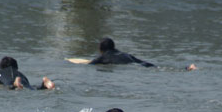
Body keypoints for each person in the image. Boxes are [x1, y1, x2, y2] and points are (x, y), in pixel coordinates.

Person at [67, 38, 197, 70]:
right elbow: (143, 62)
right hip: (138, 64)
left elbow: (90, 64)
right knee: (156, 68)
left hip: (129, 68)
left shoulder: (103, 57)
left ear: (101, 49)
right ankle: (186, 68)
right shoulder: (125, 54)